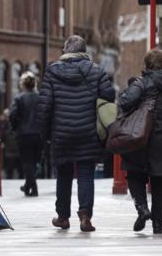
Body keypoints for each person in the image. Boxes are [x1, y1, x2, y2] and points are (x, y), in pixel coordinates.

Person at [36, 35, 115, 231]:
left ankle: (63, 216)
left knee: (63, 173)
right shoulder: (96, 70)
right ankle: (85, 216)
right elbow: (109, 95)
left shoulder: (52, 71)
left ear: (65, 50)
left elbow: (45, 105)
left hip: (61, 132)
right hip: (87, 130)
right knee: (86, 174)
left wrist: (43, 133)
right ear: (84, 50)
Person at [119, 49, 162, 234]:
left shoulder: (143, 82)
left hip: (143, 136)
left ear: (146, 65)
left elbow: (124, 101)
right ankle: (158, 223)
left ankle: (142, 208)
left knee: (134, 172)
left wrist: (133, 85)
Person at [9, 72, 42, 196]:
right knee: (34, 161)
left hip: (23, 134)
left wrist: (15, 127)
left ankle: (32, 187)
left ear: (22, 84)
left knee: (28, 161)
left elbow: (13, 115)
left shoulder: (19, 98)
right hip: (38, 134)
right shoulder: (40, 97)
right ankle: (29, 186)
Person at [0, 109, 23, 179]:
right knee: (20, 171)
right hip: (17, 151)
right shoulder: (20, 123)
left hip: (10, 152)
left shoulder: (6, 125)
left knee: (10, 172)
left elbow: (2, 137)